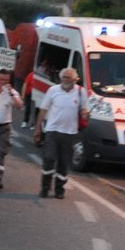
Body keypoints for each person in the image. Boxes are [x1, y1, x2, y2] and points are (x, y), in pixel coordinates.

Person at [34, 67, 85, 198]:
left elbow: (84, 110)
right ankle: (45, 187)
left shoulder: (80, 92)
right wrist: (38, 128)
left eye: (68, 77)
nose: (65, 80)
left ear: (75, 79)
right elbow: (43, 109)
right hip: (52, 130)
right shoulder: (53, 90)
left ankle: (59, 189)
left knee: (64, 162)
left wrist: (85, 114)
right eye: (63, 77)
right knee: (49, 158)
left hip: (69, 133)